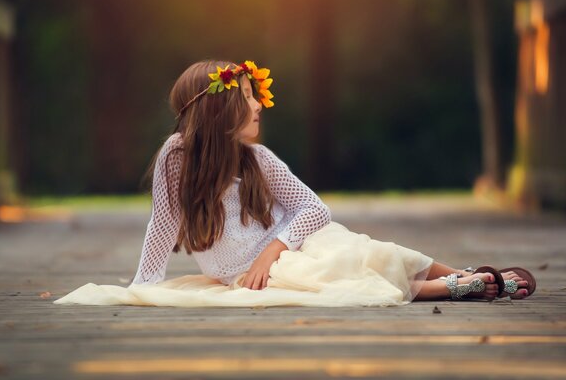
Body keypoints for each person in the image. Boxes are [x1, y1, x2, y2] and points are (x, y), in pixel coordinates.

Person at [127, 59, 535, 304]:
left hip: (288, 248)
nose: (258, 105)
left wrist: (273, 249)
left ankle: (463, 275)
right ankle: (456, 287)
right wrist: (142, 285)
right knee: (337, 279)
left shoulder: (256, 159)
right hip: (253, 273)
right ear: (218, 106)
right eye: (247, 96)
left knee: (362, 252)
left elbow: (314, 208)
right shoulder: (177, 156)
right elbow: (162, 225)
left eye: (255, 94)